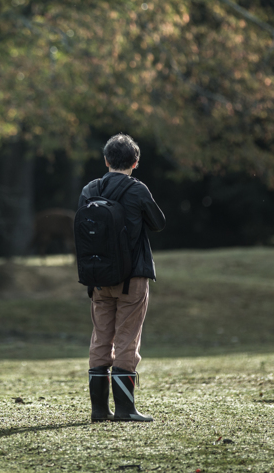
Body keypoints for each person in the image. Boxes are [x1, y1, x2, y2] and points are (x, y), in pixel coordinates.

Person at [81, 133, 166, 423]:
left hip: (98, 279)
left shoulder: (89, 189)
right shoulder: (137, 189)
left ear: (106, 161)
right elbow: (158, 223)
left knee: (100, 340)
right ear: (135, 162)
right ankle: (125, 410)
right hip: (133, 279)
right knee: (127, 341)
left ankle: (98, 410)